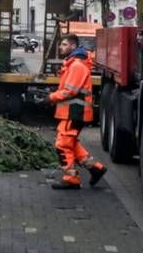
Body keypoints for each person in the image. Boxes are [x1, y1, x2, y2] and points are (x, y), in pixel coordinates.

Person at [46, 33, 106, 190]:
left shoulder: (76, 66)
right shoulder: (73, 64)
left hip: (74, 112)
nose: (61, 47)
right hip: (72, 112)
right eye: (61, 44)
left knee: (62, 145)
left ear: (73, 46)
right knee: (70, 144)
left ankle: (71, 178)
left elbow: (69, 92)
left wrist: (51, 97)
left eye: (64, 44)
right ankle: (96, 168)